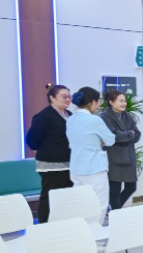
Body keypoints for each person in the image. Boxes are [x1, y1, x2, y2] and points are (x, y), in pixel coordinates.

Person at [66, 86, 116, 224]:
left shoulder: (71, 119)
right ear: (92, 102)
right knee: (99, 204)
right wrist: (99, 142)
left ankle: (83, 233)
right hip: (94, 168)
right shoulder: (94, 120)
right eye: (98, 101)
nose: (99, 104)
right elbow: (111, 139)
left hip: (76, 168)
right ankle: (95, 234)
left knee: (81, 205)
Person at [25, 84, 73, 223]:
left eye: (69, 96)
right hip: (51, 164)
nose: (68, 99)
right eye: (64, 97)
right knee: (50, 196)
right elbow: (31, 140)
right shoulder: (44, 116)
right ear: (52, 98)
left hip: (68, 163)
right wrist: (45, 150)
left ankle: (63, 224)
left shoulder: (69, 115)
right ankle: (45, 225)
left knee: (65, 196)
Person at [100, 91, 142, 210]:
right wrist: (129, 134)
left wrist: (124, 135)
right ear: (111, 102)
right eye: (121, 101)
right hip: (114, 157)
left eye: (124, 101)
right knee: (115, 190)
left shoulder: (127, 115)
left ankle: (113, 209)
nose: (124, 103)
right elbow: (113, 136)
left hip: (129, 157)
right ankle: (116, 213)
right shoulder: (104, 117)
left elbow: (137, 134)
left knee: (131, 187)